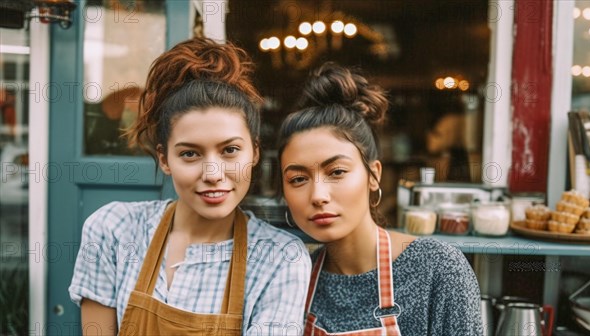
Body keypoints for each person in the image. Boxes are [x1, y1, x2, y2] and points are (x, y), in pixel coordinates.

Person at [69, 37, 311, 335]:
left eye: (230, 150)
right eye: (190, 154)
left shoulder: (279, 259)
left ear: (255, 152)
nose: (212, 173)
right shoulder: (113, 230)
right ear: (164, 158)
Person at [277, 63, 482, 335]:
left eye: (336, 172)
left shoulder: (439, 269)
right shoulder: (294, 280)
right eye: (298, 179)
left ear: (373, 175)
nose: (318, 196)